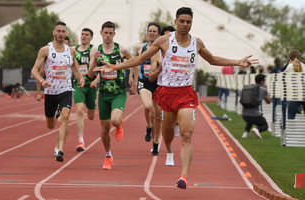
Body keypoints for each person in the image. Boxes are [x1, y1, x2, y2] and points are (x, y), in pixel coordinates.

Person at [95, 7, 258, 189]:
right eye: (182, 21)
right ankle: (170, 149)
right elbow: (140, 59)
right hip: (166, 93)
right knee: (168, 135)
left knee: (187, 136)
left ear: (191, 23)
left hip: (185, 93)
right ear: (176, 22)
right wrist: (115, 67)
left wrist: (238, 62)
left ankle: (183, 177)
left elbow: (212, 60)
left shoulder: (196, 43)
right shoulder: (164, 41)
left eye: (188, 22)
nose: (185, 25)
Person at [31, 21, 85, 162]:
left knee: (66, 117)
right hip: (50, 92)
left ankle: (60, 149)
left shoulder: (71, 51)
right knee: (50, 125)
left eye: (63, 31)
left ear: (66, 33)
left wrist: (80, 77)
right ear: (53, 32)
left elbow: (73, 65)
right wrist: (42, 82)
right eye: (59, 31)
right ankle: (55, 114)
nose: (61, 34)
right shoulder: (45, 50)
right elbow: (34, 70)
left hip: (66, 89)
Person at [88, 21, 138, 170]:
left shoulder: (121, 49)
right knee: (104, 130)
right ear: (101, 33)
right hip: (103, 94)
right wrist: (95, 60)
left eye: (111, 33)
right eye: (106, 33)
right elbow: (90, 74)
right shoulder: (95, 50)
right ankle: (108, 156)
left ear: (114, 34)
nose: (108, 35)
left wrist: (133, 81)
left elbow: (135, 63)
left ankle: (119, 125)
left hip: (118, 93)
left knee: (115, 120)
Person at [149, 25, 177, 160]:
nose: (169, 38)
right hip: (161, 89)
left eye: (171, 35)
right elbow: (150, 77)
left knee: (172, 120)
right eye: (166, 36)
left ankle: (175, 125)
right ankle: (155, 142)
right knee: (158, 117)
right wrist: (160, 69)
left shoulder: (181, 51)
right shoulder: (156, 54)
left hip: (178, 91)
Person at [135, 22, 161, 155]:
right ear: (147, 33)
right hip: (144, 82)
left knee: (157, 116)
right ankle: (149, 126)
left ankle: (155, 143)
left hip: (158, 84)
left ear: (158, 34)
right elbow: (136, 62)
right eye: (150, 31)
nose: (151, 33)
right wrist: (133, 80)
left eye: (154, 31)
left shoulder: (162, 50)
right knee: (147, 107)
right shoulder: (140, 47)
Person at [241, 74, 271, 139]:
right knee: (265, 125)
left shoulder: (249, 88)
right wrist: (267, 89)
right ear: (262, 82)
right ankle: (257, 129)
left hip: (244, 115)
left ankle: (246, 132)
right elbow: (268, 101)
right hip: (255, 115)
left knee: (250, 120)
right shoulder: (263, 89)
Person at [283, 49, 305, 119]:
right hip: (304, 93)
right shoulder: (303, 65)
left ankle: (291, 129)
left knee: (291, 115)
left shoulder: (289, 66)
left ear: (289, 58)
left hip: (295, 94)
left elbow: (282, 77)